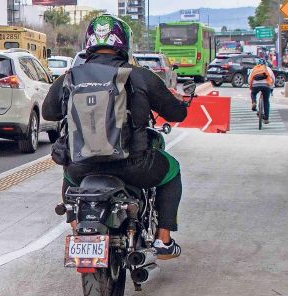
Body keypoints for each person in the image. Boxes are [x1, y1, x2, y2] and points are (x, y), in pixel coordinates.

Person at [43, 15, 189, 260]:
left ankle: (77, 228)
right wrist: (177, 101)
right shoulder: (140, 75)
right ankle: (164, 240)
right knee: (172, 170)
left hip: (83, 167)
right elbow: (177, 113)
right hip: (134, 165)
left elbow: (48, 111)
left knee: (69, 175)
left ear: (89, 42)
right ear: (124, 42)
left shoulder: (70, 76)